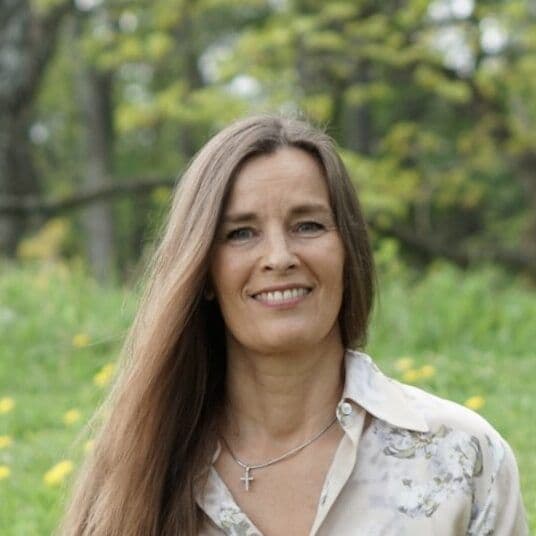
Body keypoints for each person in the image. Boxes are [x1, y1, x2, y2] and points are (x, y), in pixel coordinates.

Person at [60, 115, 528, 535]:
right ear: (203, 271)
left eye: (308, 225)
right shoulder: (137, 471)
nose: (279, 257)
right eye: (241, 233)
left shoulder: (461, 456)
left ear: (348, 251)